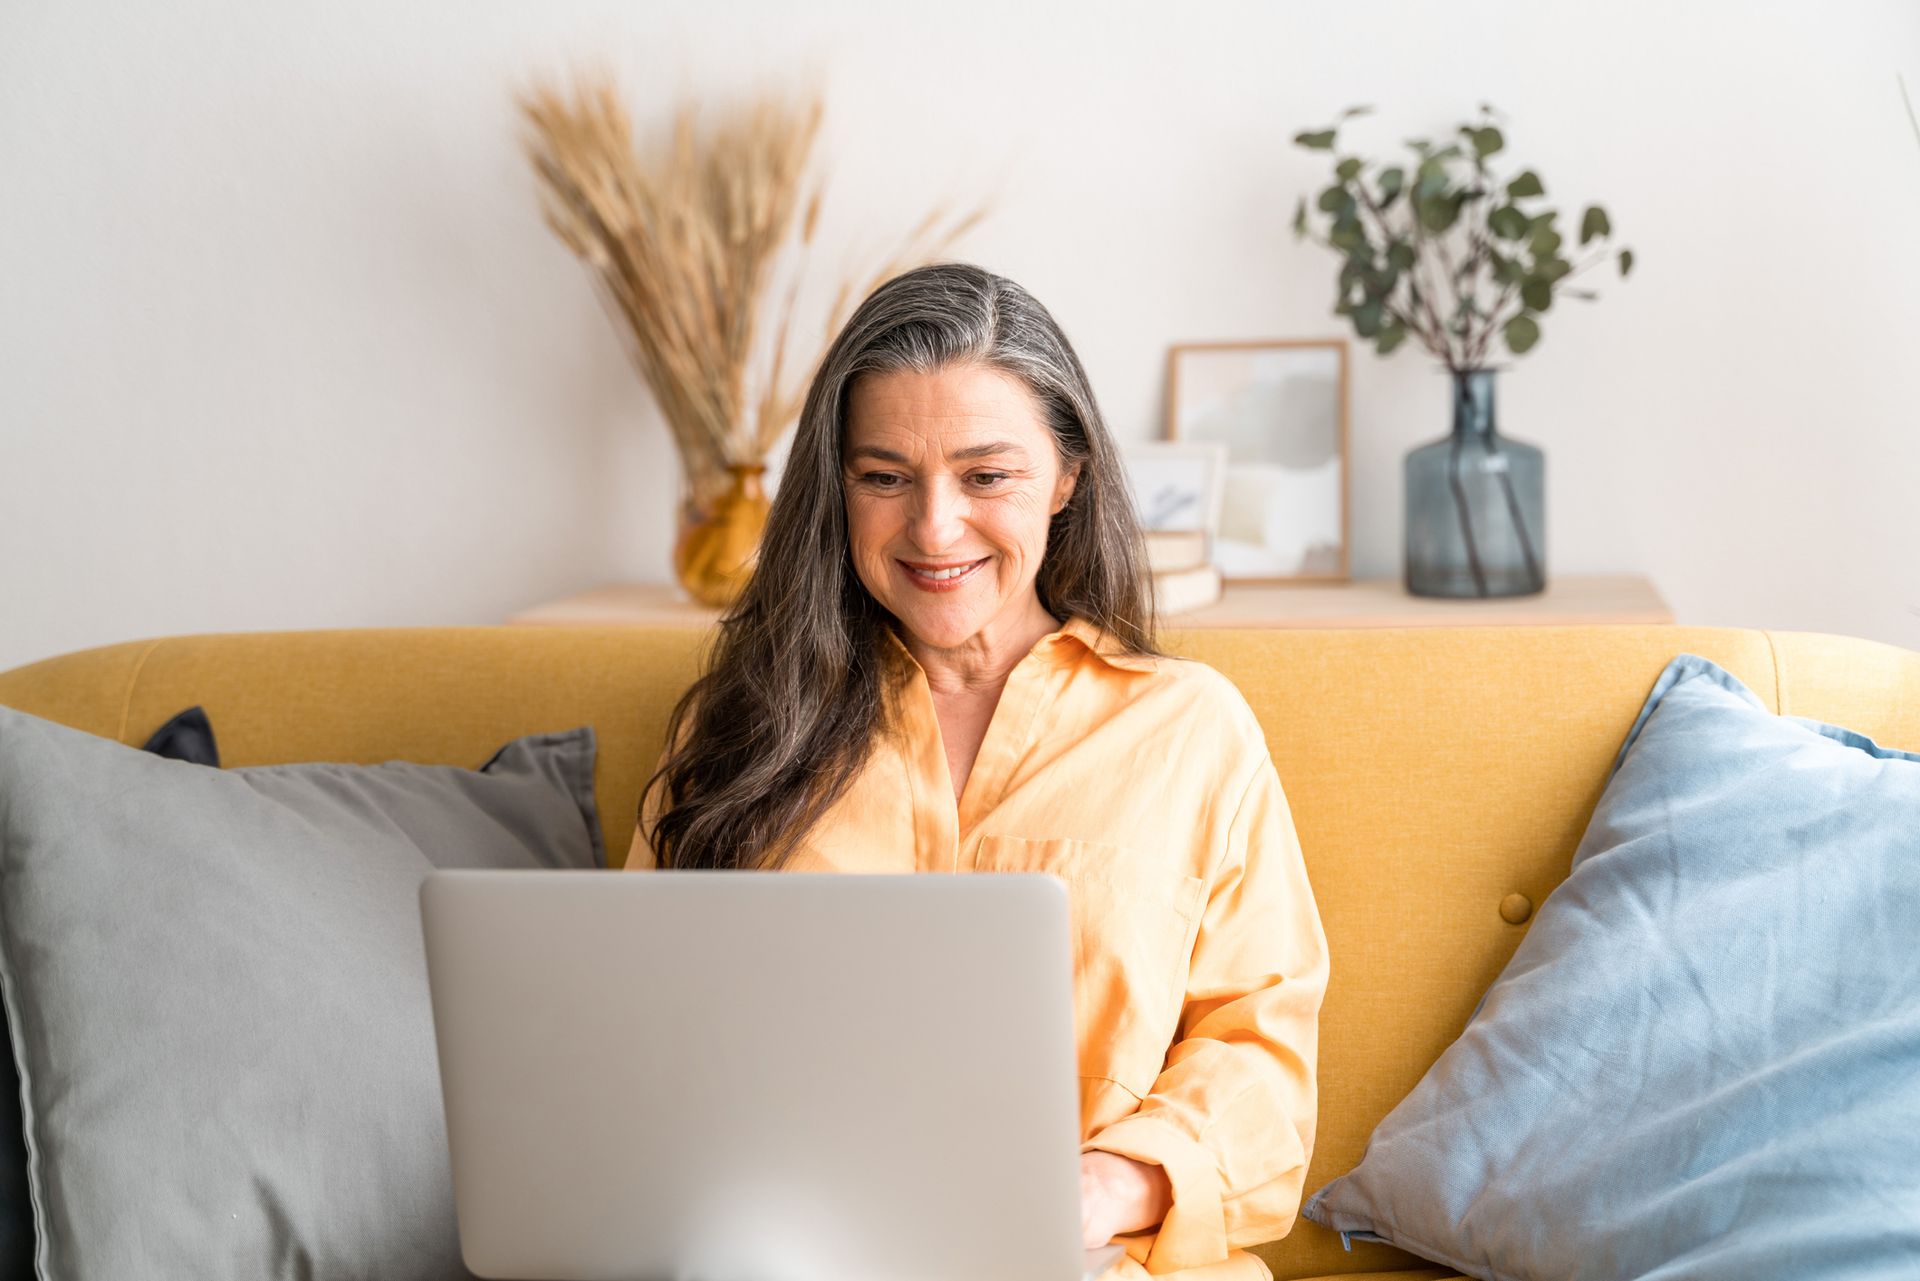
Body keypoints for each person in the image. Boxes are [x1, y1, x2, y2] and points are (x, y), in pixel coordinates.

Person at [627, 262, 1329, 1281]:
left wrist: (1103, 1189)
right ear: (837, 488)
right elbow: (639, 1022)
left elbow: (1257, 1047)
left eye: (985, 476)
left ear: (1067, 475)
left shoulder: (1190, 730)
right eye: (885, 477)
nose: (934, 528)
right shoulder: (738, 731)